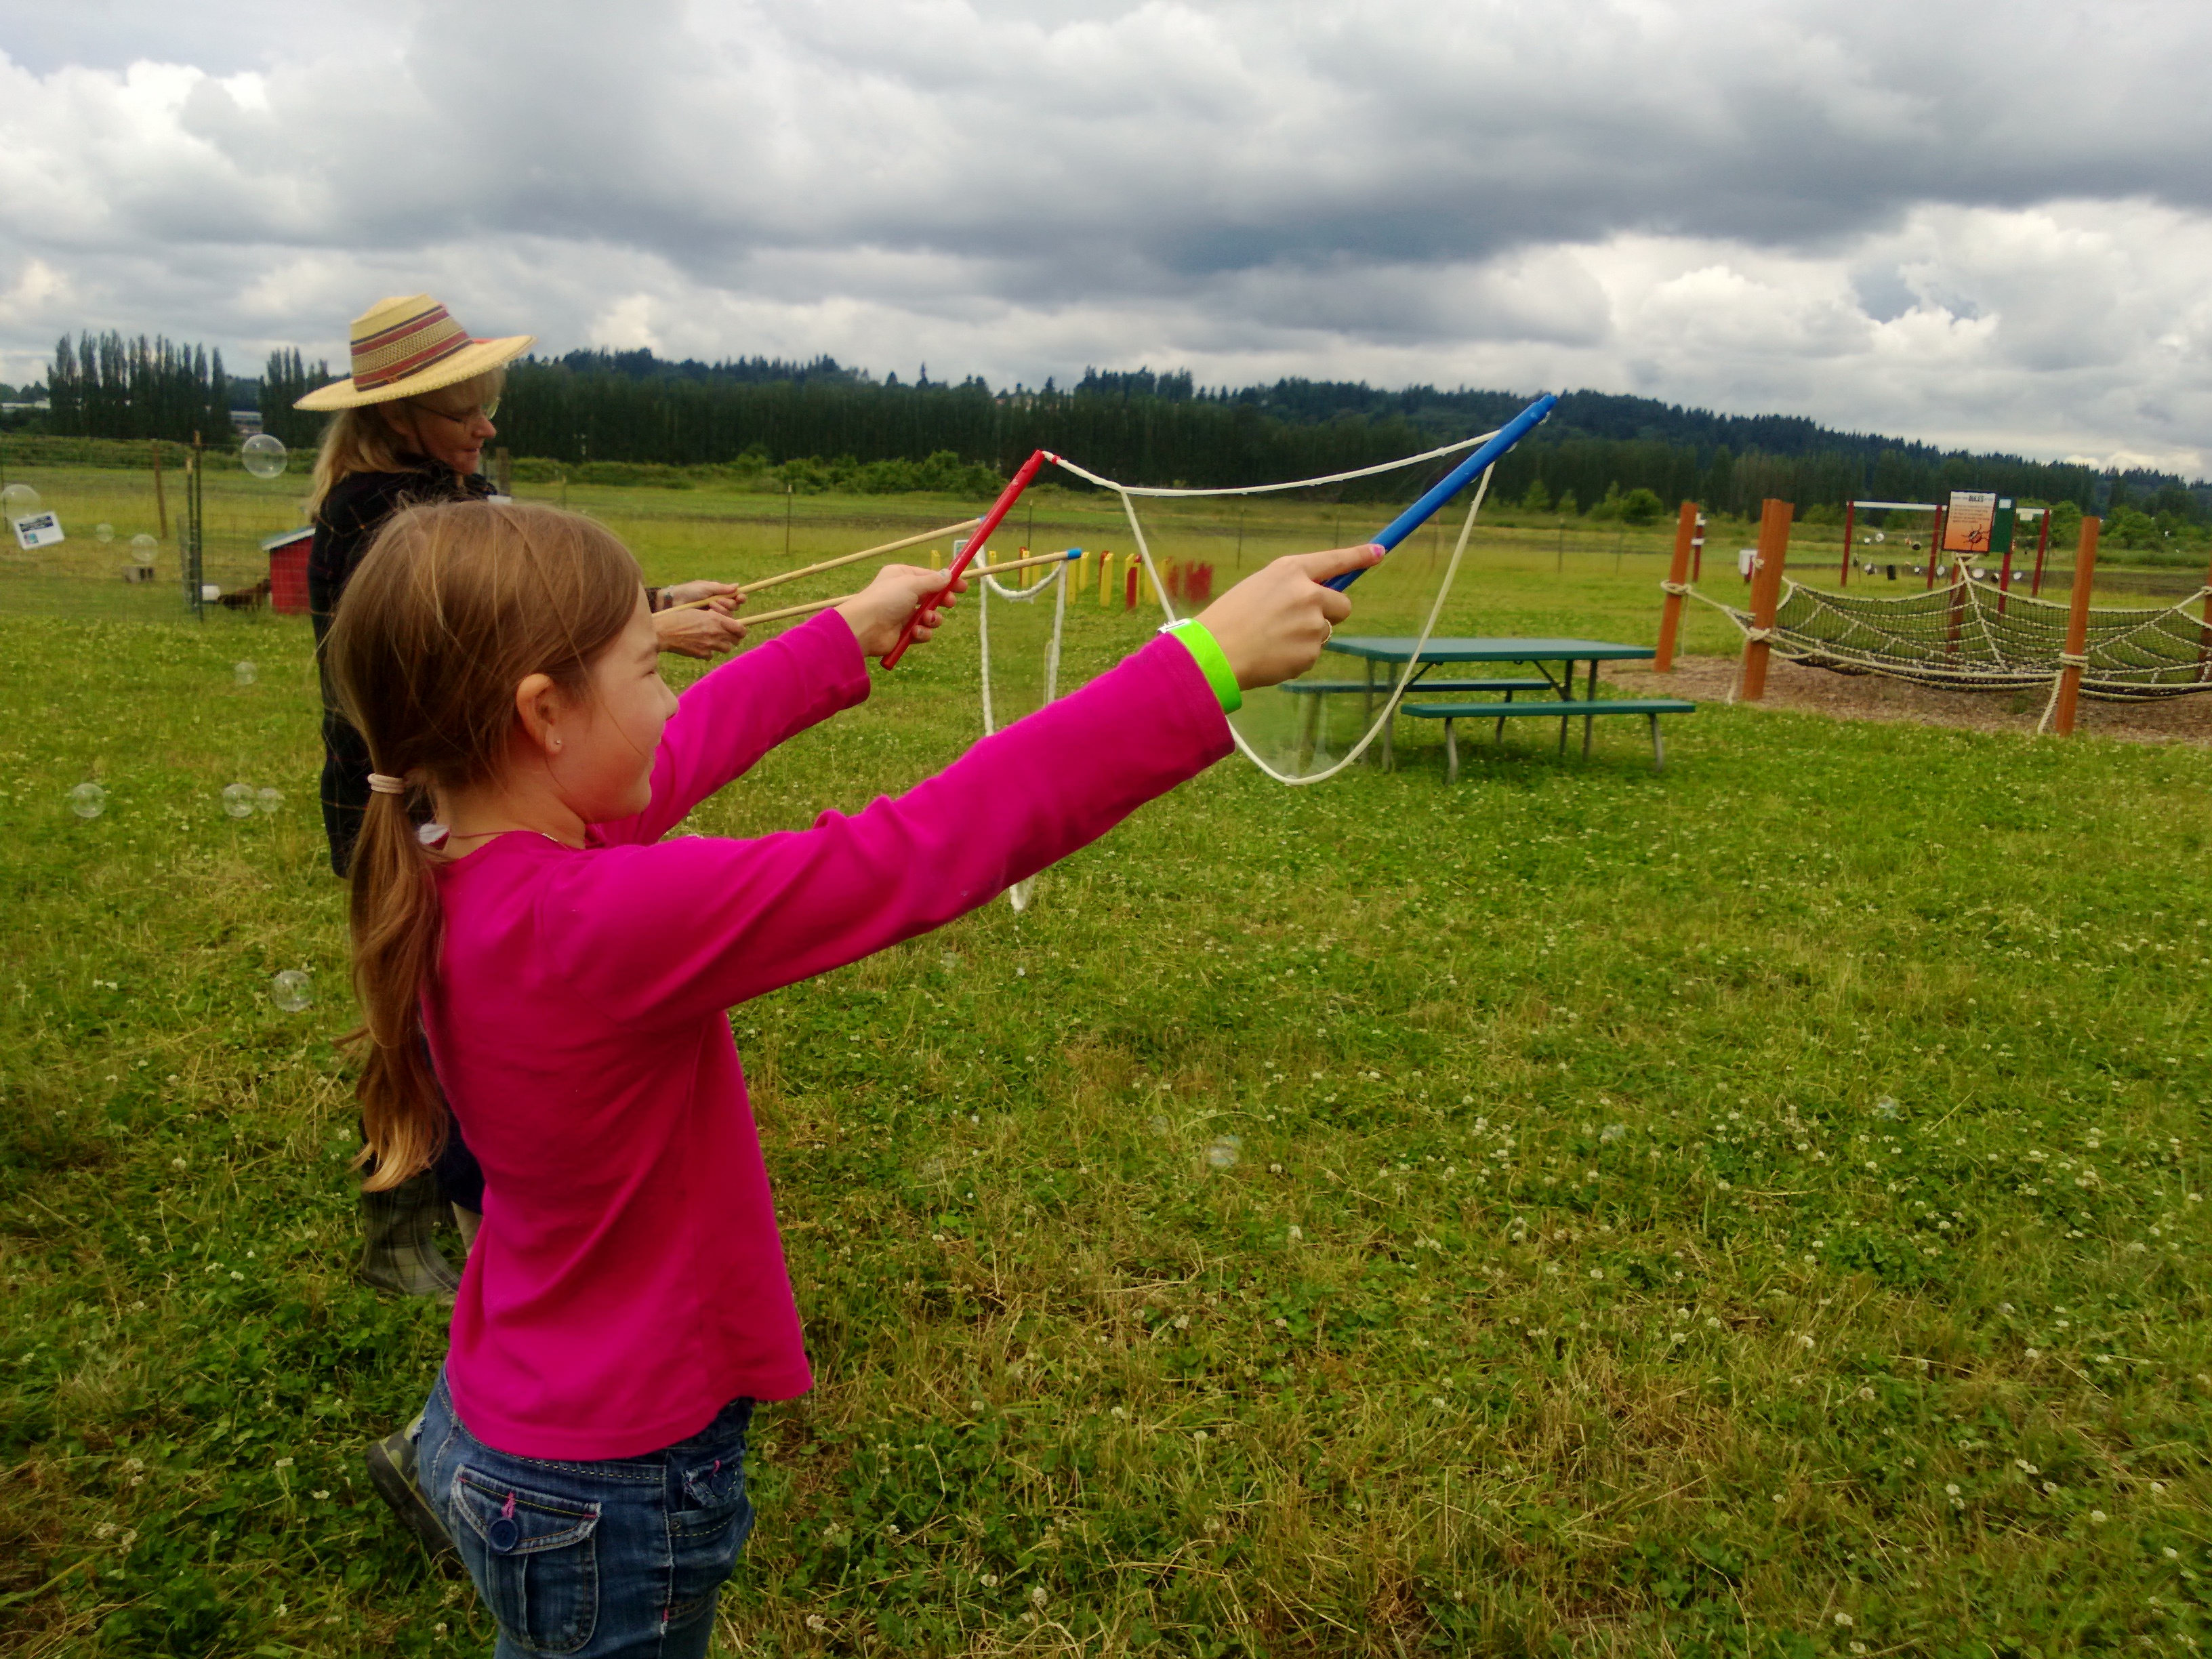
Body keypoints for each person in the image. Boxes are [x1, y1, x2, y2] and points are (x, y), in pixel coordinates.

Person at [325, 495, 1375, 1656]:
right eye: (648, 669)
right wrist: (1200, 665)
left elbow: (682, 747)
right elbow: (921, 845)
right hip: (611, 1481)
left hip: (515, 1418)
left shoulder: (458, 860)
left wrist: (844, 635)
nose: (668, 698)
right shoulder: (592, 923)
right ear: (543, 715)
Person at [298, 293, 750, 1298]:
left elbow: (526, 606)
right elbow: (473, 648)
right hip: (413, 804)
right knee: (425, 1015)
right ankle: (406, 1211)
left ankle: (467, 1193)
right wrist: (646, 635)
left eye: (488, 404)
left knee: (463, 1014)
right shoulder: (378, 517)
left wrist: (649, 607)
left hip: (466, 791)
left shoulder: (447, 493)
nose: (485, 427)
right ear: (398, 415)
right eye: (465, 410)